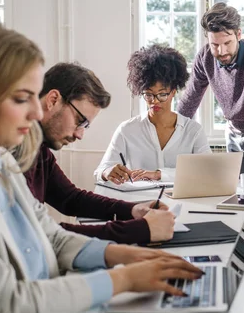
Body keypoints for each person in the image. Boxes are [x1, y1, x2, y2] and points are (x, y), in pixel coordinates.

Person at [0, 22, 202, 313]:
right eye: (23, 98)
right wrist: (122, 278)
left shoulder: (2, 162)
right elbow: (6, 308)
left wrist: (123, 254)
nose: (38, 111)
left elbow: (51, 236)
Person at [22, 62, 174, 244]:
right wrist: (139, 229)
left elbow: (70, 198)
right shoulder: (14, 154)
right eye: (80, 120)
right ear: (53, 100)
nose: (79, 134)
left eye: (85, 126)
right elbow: (37, 235)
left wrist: (133, 210)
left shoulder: (39, 149)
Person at [177, 2, 244, 181]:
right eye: (215, 45)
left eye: (227, 43)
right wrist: (171, 132)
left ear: (239, 34)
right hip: (234, 131)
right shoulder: (205, 57)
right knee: (232, 189)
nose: (222, 51)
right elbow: (190, 100)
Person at [95, 44, 210, 185]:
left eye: (162, 94)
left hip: (180, 202)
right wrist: (107, 172)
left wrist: (158, 175)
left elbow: (206, 171)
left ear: (173, 91)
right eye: (148, 94)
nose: (154, 101)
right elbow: (102, 169)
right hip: (138, 203)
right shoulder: (127, 130)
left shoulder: (193, 131)